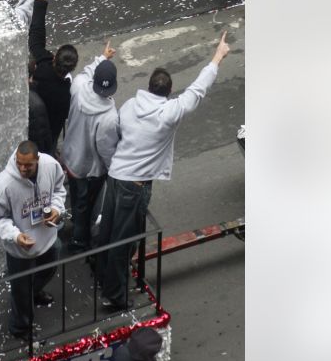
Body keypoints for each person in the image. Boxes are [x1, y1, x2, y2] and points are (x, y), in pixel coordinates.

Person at [95, 31, 232, 310]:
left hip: (117, 176)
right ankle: (115, 295)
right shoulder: (168, 113)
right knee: (125, 240)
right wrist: (217, 56)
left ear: (149, 86)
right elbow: (196, 90)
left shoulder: (131, 104)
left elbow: (114, 133)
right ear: (168, 92)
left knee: (109, 233)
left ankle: (105, 277)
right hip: (135, 185)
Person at [0, 141, 68, 343]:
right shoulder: (4, 183)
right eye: (19, 164)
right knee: (21, 289)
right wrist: (15, 236)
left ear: (37, 160)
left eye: (28, 165)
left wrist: (57, 209)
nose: (23, 169)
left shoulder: (50, 165)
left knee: (48, 268)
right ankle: (20, 327)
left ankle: (34, 292)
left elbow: (59, 189)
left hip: (47, 236)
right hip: (20, 248)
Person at [61, 40, 121, 254]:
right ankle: (80, 240)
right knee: (85, 205)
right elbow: (106, 150)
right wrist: (114, 169)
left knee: (76, 198)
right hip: (90, 169)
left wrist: (102, 58)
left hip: (71, 158)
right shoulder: (109, 117)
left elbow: (86, 72)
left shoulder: (78, 86)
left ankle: (77, 229)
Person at [27, 0, 77, 156]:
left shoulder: (42, 67)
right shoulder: (66, 94)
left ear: (54, 57)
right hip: (48, 136)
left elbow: (36, 34)